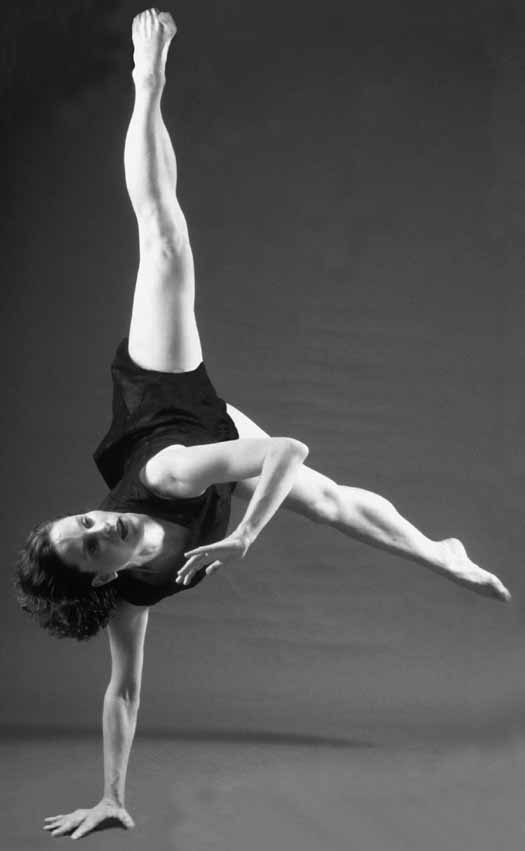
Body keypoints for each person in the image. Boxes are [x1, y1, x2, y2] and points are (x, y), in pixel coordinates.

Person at [14, 9, 510, 840]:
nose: (100, 522)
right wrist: (111, 794)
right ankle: (440, 551)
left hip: (162, 407)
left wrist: (244, 534)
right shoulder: (134, 594)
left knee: (165, 243)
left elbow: (285, 448)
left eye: (82, 519)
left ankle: (146, 82)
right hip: (215, 460)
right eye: (92, 542)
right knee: (332, 506)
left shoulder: (162, 478)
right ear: (102, 580)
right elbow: (123, 692)